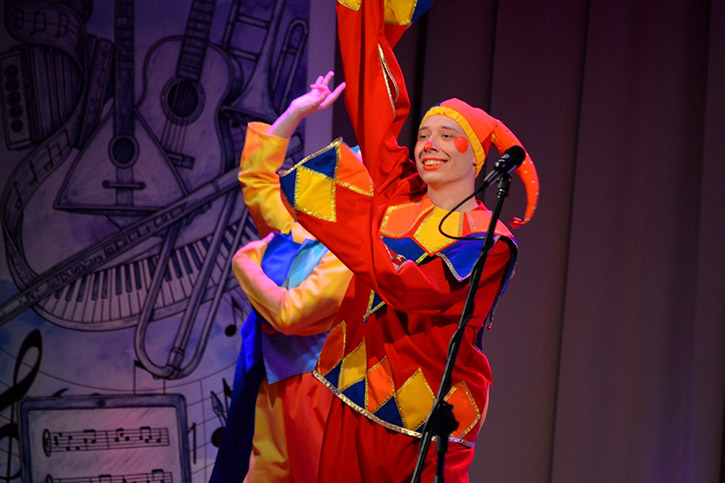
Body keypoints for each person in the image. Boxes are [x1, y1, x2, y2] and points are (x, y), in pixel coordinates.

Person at [277, 0, 540, 481]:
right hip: (353, 393)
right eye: (423, 134)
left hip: (422, 421)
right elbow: (373, 104)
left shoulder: (488, 241)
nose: (429, 144)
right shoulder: (400, 194)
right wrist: (358, 12)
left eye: (447, 135)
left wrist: (333, 210)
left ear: (477, 157)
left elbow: (409, 285)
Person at [210, 73, 351, 482]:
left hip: (315, 388)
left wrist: (246, 267)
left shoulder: (347, 257)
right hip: (266, 379)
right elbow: (257, 179)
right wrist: (294, 113)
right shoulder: (297, 231)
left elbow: (292, 315)